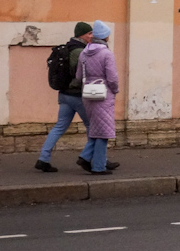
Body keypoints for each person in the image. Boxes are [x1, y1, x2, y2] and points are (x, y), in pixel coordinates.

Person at [34, 22, 93, 173]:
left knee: (59, 127)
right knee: (93, 127)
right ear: (81, 35)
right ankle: (96, 159)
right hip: (77, 95)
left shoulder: (68, 47)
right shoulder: (79, 51)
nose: (91, 36)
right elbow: (81, 74)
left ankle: (43, 158)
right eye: (89, 34)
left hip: (64, 95)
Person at [77, 20, 120, 175]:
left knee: (96, 129)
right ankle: (98, 167)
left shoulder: (84, 53)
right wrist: (115, 90)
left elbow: (78, 75)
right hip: (103, 95)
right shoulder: (106, 53)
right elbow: (113, 78)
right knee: (104, 132)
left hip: (88, 94)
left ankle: (85, 156)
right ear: (105, 37)